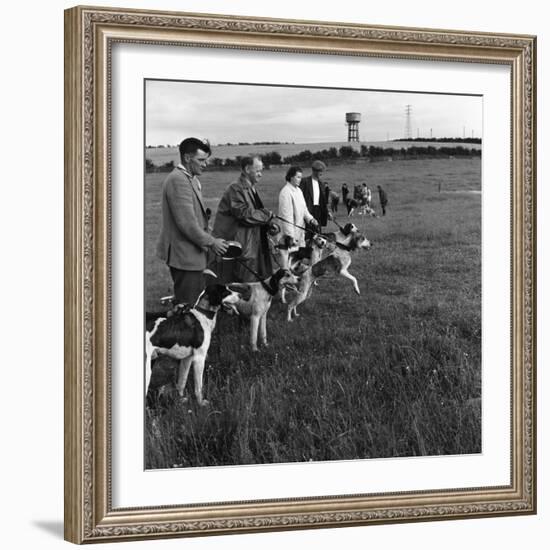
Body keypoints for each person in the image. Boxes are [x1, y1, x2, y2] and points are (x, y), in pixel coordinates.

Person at [156, 137, 229, 305]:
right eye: (201, 160)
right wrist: (212, 242)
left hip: (191, 250)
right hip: (183, 253)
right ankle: (183, 327)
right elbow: (187, 224)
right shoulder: (178, 180)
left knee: (196, 297)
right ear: (187, 158)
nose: (205, 164)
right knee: (189, 303)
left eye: (206, 160)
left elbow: (196, 217)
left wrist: (209, 233)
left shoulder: (191, 179)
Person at [212, 156, 276, 283]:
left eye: (261, 171)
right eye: (258, 171)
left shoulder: (250, 188)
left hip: (252, 244)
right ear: (247, 169)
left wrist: (269, 224)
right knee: (242, 286)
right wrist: (267, 215)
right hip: (241, 246)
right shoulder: (236, 189)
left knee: (253, 283)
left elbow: (255, 214)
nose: (260, 175)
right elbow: (244, 215)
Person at [278, 166, 319, 247]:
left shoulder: (299, 191)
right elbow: (286, 217)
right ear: (291, 177)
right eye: (298, 177)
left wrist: (310, 219)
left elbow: (304, 209)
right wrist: (290, 237)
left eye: (301, 177)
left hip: (299, 233)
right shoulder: (285, 192)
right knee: (289, 258)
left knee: (300, 258)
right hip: (289, 237)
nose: (300, 179)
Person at [300, 160, 330, 229]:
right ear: (315, 171)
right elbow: (299, 198)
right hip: (307, 211)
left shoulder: (322, 184)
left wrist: (327, 212)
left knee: (318, 235)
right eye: (321, 171)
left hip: (318, 212)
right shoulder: (304, 182)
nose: (322, 174)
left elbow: (323, 201)